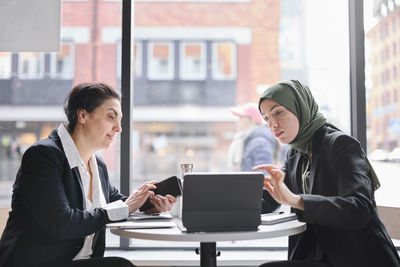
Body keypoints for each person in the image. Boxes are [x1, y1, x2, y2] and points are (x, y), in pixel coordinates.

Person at [0, 82, 177, 267]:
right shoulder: (42, 157)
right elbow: (62, 222)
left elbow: (117, 202)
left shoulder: (97, 165)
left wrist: (150, 203)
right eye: (111, 117)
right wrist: (125, 207)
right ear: (83, 115)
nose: (119, 128)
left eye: (120, 120)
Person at [254, 80, 400, 267]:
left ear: (300, 107)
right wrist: (226, 207)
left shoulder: (341, 145)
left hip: (357, 259)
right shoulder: (296, 153)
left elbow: (360, 209)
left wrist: (296, 200)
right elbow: (270, 198)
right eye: (266, 118)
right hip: (320, 258)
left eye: (278, 112)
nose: (272, 124)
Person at [228, 102, 278, 172]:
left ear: (253, 120)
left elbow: (262, 175)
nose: (238, 121)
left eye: (241, 117)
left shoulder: (259, 142)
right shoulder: (248, 139)